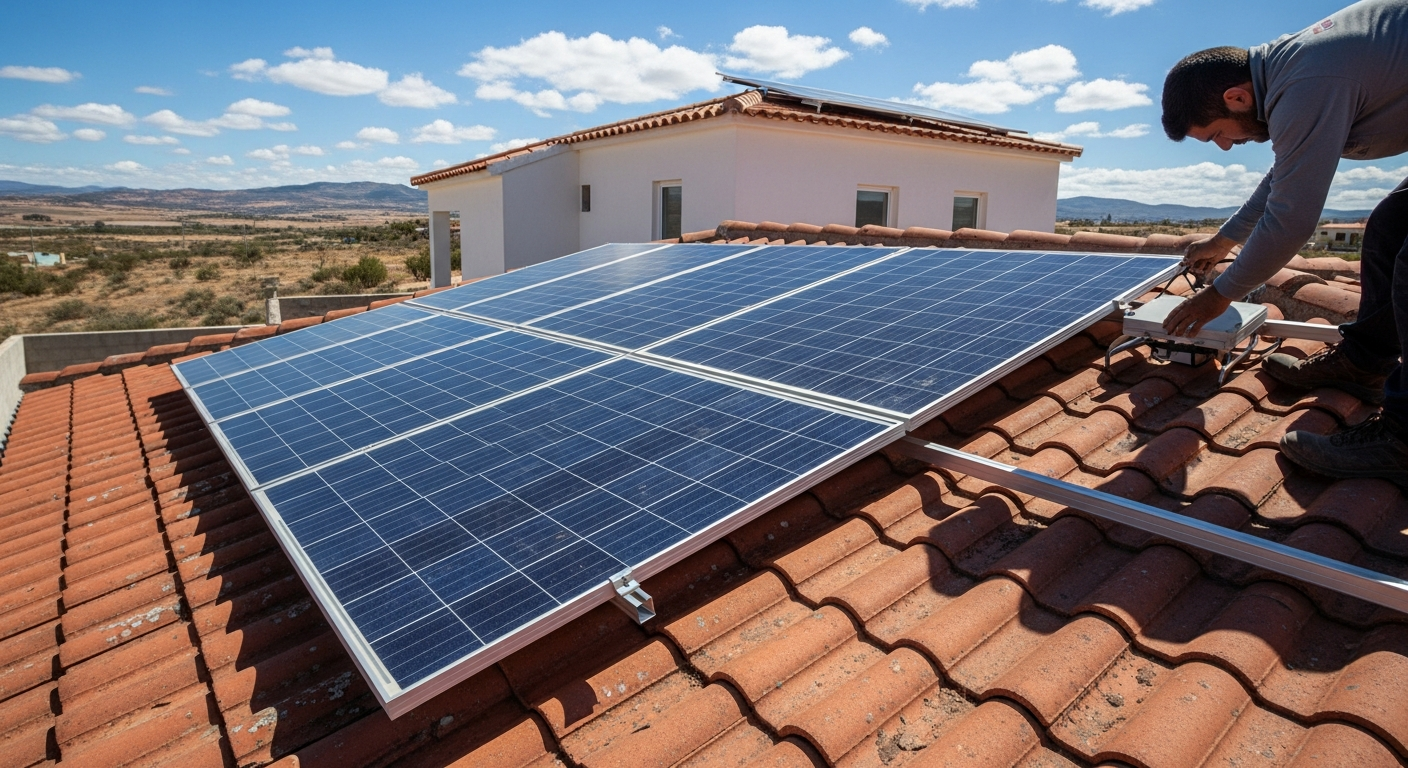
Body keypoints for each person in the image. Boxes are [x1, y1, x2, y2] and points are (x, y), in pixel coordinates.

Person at [1158, 0, 1408, 487]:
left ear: (1236, 97)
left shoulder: (1307, 81)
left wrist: (1220, 294)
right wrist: (1225, 239)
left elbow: (1291, 219)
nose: (1225, 146)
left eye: (1216, 135)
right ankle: (1364, 365)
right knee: (1390, 228)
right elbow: (1285, 175)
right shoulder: (1293, 69)